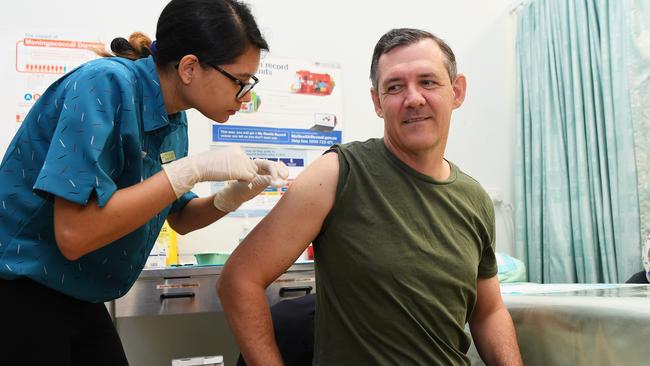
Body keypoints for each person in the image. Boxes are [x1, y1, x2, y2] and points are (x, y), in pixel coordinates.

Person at [0, 0, 287, 364]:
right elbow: (73, 235)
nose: (244, 98)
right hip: (21, 286)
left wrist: (234, 195)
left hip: (77, 291)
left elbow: (178, 216)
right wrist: (190, 170)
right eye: (240, 83)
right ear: (189, 67)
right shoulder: (104, 85)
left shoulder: (174, 117)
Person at [218, 28, 524, 365]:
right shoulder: (339, 174)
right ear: (377, 102)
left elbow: (488, 311)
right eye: (394, 87)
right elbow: (239, 279)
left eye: (428, 81)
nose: (414, 98)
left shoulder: (473, 198)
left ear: (457, 91)